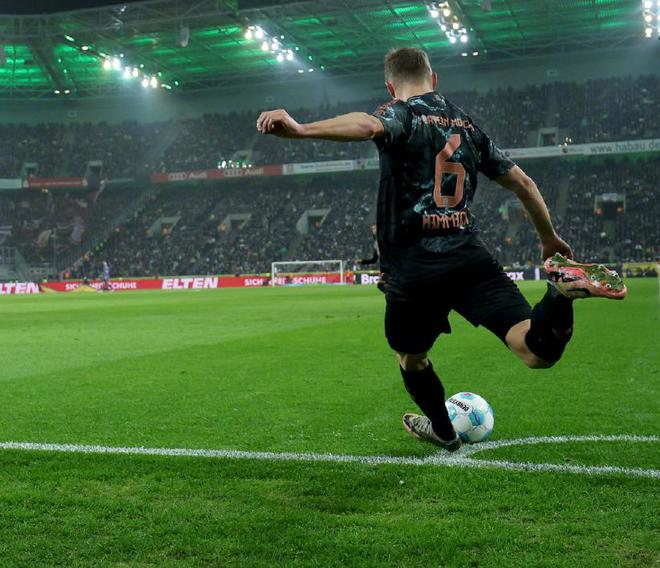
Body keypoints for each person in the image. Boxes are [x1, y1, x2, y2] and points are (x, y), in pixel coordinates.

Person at [256, 47, 626, 452]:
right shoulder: (466, 124)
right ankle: (558, 294)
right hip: (469, 257)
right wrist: (549, 239)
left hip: (414, 270)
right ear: (434, 80)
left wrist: (301, 129)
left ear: (390, 87)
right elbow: (524, 184)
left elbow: (367, 125)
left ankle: (445, 433)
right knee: (535, 351)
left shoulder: (401, 113)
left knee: (411, 358)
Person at [356, 224, 386, 293]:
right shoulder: (376, 243)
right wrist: (362, 261)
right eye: (372, 229)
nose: (373, 230)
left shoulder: (384, 239)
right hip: (384, 266)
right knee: (381, 285)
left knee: (382, 285)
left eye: (375, 228)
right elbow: (374, 260)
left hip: (390, 266)